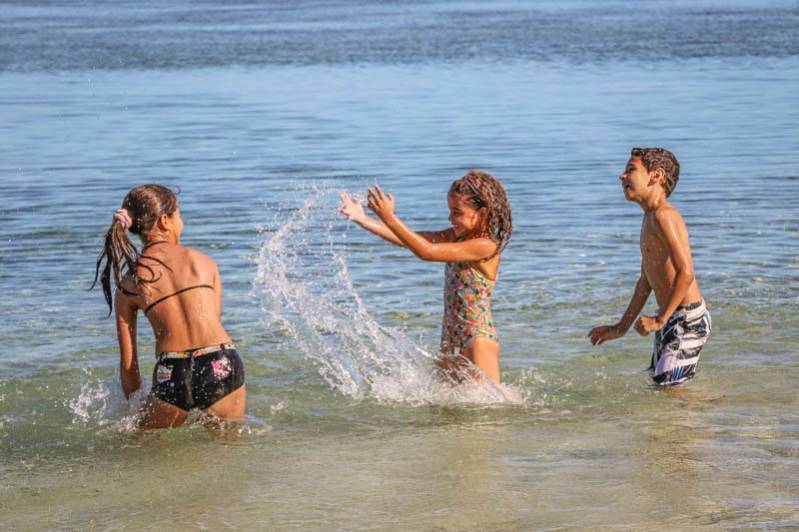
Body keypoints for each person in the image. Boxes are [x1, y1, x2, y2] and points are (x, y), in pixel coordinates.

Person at [92, 184, 245, 428]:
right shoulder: (203, 263)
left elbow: (129, 368)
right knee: (229, 448)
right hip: (220, 360)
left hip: (172, 370)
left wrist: (134, 407)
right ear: (165, 220)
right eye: (179, 215)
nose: (182, 223)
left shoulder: (130, 283)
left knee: (144, 447)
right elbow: (212, 324)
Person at [340, 171, 512, 383]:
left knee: (488, 412)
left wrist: (390, 217)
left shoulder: (485, 246)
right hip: (450, 339)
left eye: (457, 212)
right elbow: (409, 240)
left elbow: (427, 252)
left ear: (482, 214)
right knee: (444, 411)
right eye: (450, 211)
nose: (450, 218)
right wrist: (363, 219)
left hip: (477, 340)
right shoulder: (455, 236)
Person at [588, 148, 711, 386]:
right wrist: (620, 327)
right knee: (661, 387)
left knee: (668, 388)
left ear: (656, 175)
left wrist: (659, 320)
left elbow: (685, 273)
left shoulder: (664, 216)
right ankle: (707, 412)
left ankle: (712, 417)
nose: (622, 176)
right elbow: (646, 282)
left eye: (630, 170)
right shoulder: (649, 219)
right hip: (671, 317)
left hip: (687, 319)